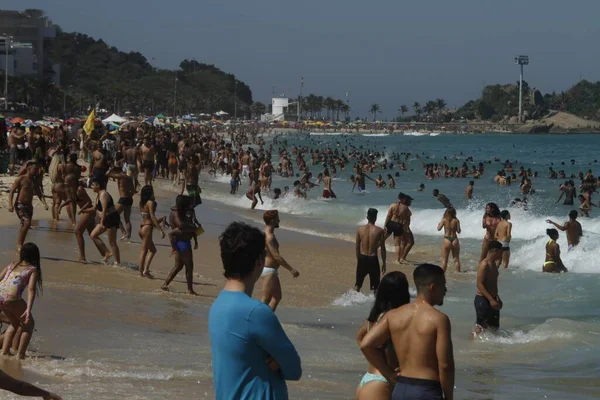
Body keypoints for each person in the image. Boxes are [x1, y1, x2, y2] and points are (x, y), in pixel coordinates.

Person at [209, 222, 302, 399]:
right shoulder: (256, 313)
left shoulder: (218, 305)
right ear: (260, 261)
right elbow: (294, 369)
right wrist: (278, 360)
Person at [360, 264, 454, 400]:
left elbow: (366, 344)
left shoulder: (393, 315)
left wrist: (389, 374)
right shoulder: (439, 319)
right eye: (443, 285)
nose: (445, 290)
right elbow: (445, 365)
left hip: (401, 388)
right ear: (432, 288)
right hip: (426, 389)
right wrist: (449, 397)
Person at [355, 272, 410, 400]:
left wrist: (374, 360)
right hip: (382, 382)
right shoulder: (393, 319)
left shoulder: (374, 318)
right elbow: (365, 345)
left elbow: (359, 337)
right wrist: (389, 373)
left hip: (369, 378)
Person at [0, 243, 42, 359]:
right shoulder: (32, 270)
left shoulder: (12, 265)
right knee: (29, 325)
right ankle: (20, 355)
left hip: (0, 296)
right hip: (11, 298)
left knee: (14, 323)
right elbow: (31, 289)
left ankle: (5, 352)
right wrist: (28, 309)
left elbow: (0, 278)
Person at [261, 210, 300, 311]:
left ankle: (267, 320)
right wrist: (291, 269)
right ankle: (258, 323)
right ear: (273, 221)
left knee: (276, 297)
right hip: (268, 271)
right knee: (265, 300)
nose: (279, 220)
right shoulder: (269, 237)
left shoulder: (266, 234)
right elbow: (276, 256)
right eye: (278, 218)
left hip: (270, 270)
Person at [162, 195, 198, 295]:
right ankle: (190, 290)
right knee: (189, 266)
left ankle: (165, 284)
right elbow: (181, 225)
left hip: (182, 242)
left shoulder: (182, 212)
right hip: (182, 243)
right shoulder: (175, 212)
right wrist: (192, 227)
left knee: (178, 266)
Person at [8, 161, 48, 252]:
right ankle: (19, 245)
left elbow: (39, 193)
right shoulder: (21, 179)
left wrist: (45, 203)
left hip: (29, 207)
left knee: (25, 225)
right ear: (28, 169)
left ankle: (20, 242)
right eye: (35, 169)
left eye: (37, 169)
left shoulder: (34, 181)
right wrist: (10, 204)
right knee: (26, 223)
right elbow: (12, 191)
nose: (36, 171)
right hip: (20, 204)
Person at [473, 241, 504, 336]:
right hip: (483, 300)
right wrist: (491, 299)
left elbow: (492, 283)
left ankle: (492, 349)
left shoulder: (493, 264)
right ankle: (472, 345)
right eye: (500, 251)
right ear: (495, 250)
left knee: (494, 328)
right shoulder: (484, 264)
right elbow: (479, 284)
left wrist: (497, 298)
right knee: (480, 328)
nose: (502, 254)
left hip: (493, 299)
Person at [89, 178, 121, 266]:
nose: (91, 187)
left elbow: (104, 209)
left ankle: (117, 262)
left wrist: (102, 223)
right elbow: (95, 208)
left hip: (111, 218)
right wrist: (84, 210)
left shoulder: (103, 194)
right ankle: (107, 252)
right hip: (105, 218)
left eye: (93, 185)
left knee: (112, 242)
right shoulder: (98, 194)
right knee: (93, 235)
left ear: (98, 185)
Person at [355, 208, 386, 293]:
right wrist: (384, 263)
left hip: (362, 258)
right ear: (375, 218)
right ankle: (374, 304)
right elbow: (383, 248)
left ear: (367, 217)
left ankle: (352, 301)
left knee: (358, 284)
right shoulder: (379, 230)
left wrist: (359, 260)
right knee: (375, 287)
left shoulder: (360, 229)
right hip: (373, 259)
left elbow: (357, 247)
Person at [138, 185, 166, 278]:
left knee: (153, 250)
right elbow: (152, 217)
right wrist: (160, 229)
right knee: (144, 251)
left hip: (142, 227)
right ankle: (140, 272)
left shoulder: (142, 203)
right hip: (147, 227)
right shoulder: (150, 202)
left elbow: (146, 216)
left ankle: (145, 270)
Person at [107, 166, 135, 241]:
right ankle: (128, 236)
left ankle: (123, 232)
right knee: (127, 219)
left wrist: (111, 168)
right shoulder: (129, 178)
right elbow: (133, 191)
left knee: (113, 214)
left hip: (123, 199)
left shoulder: (120, 175)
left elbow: (107, 174)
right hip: (129, 199)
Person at [436, 208, 461, 272]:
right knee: (456, 259)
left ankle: (442, 274)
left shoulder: (444, 220)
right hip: (454, 239)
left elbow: (438, 229)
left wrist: (439, 224)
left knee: (444, 260)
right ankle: (458, 274)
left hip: (447, 239)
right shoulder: (456, 220)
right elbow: (458, 231)